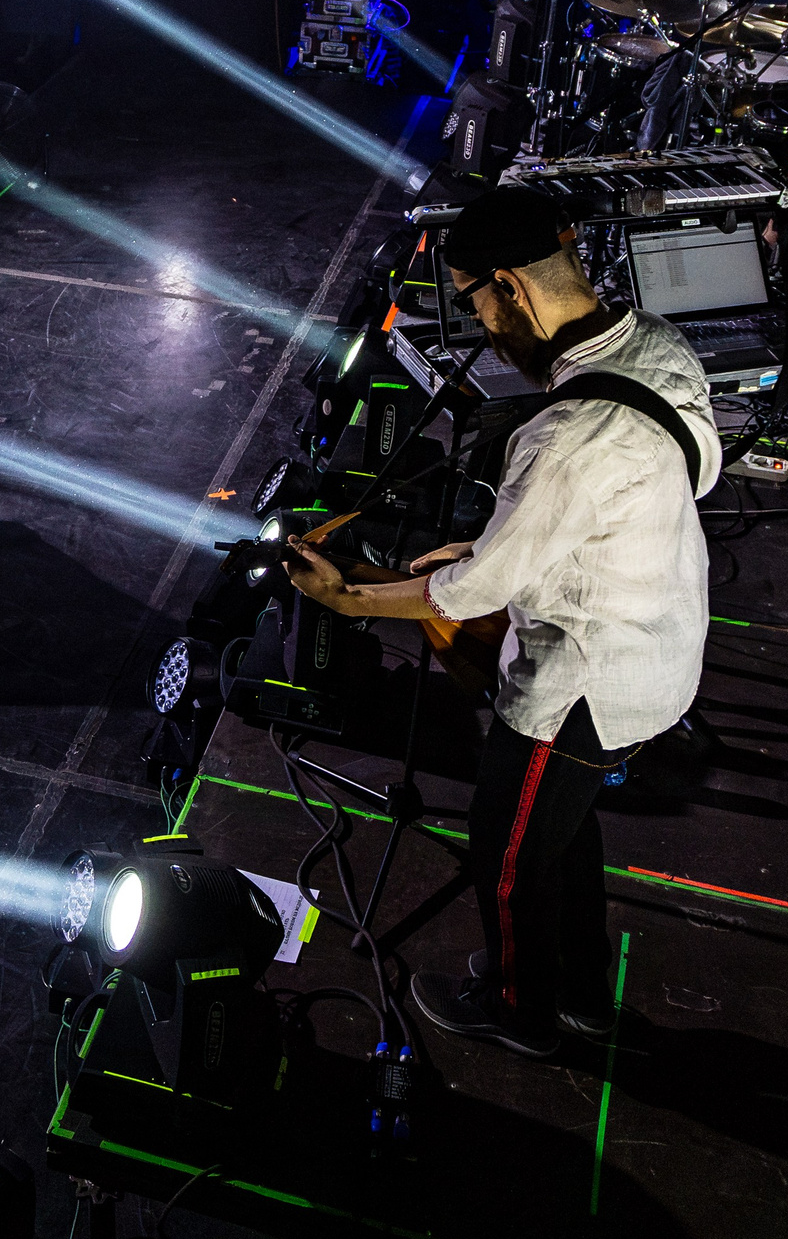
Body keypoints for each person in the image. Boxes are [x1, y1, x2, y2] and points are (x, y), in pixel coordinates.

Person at [281, 185, 720, 1060]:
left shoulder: (559, 436)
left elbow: (472, 595)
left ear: (511, 287)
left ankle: (521, 1009)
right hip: (663, 645)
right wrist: (513, 540)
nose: (481, 325)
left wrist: (347, 598)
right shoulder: (658, 345)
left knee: (508, 850)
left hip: (583, 686)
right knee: (564, 832)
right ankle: (583, 996)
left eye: (476, 302)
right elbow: (689, 475)